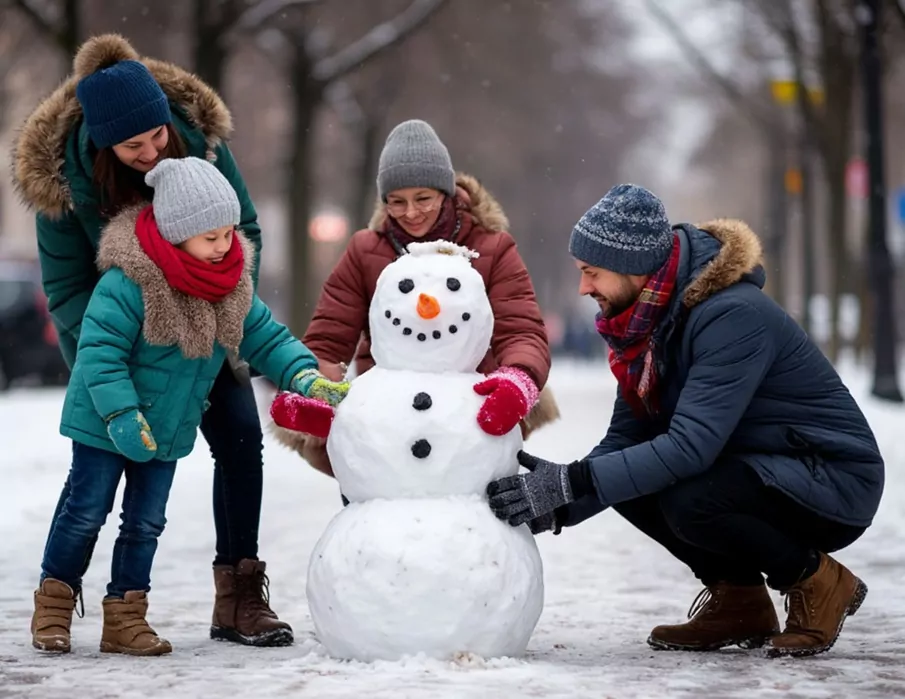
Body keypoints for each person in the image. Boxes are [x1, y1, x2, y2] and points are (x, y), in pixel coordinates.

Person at [486, 184, 884, 659]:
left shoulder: (731, 316)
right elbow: (623, 443)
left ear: (633, 269)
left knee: (688, 496)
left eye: (592, 273)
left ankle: (818, 581)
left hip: (832, 476)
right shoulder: (646, 326)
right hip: (761, 468)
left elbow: (692, 447)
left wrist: (573, 482)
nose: (583, 288)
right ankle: (739, 602)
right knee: (628, 480)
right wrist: (560, 504)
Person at [12, 34, 293, 645]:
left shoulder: (197, 144)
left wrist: (219, 300)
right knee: (95, 486)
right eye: (133, 145)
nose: (150, 152)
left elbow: (241, 227)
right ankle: (59, 598)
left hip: (206, 328)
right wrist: (113, 373)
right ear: (102, 140)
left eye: (156, 136)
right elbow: (66, 290)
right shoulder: (64, 182)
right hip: (121, 337)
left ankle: (239, 595)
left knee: (242, 439)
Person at [30, 157, 350, 656]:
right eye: (211, 237)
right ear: (176, 233)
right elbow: (99, 352)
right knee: (86, 512)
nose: (225, 246)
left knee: (145, 523)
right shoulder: (129, 281)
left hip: (166, 428)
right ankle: (54, 603)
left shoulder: (229, 283)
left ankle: (126, 616)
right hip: (104, 422)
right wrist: (120, 415)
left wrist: (305, 375)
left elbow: (265, 337)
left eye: (228, 233)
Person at [271, 119, 558, 477]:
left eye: (423, 198)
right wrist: (316, 389)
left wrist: (517, 377)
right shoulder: (366, 251)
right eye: (396, 202)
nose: (410, 213)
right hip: (387, 419)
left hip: (469, 414)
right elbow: (329, 338)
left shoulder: (491, 248)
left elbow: (521, 329)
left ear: (445, 193)